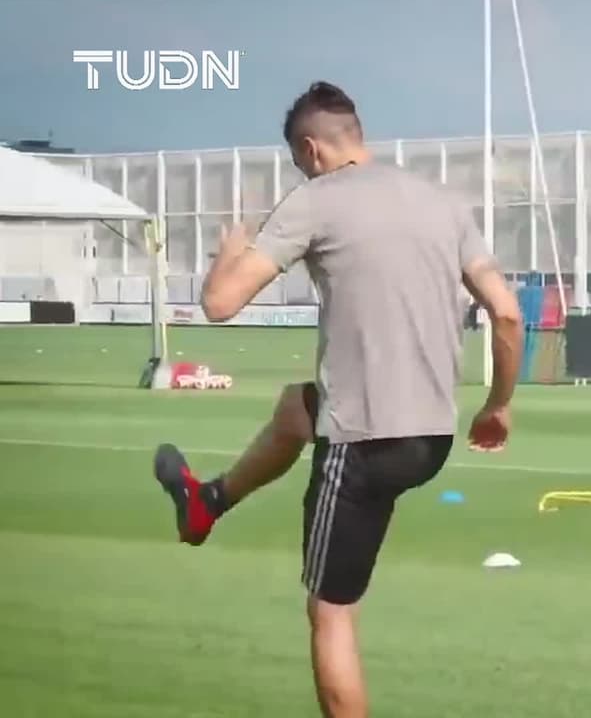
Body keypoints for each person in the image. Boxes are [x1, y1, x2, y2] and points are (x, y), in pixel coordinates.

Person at [150, 81, 524, 718]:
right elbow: (508, 314)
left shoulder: (315, 200)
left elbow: (219, 304)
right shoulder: (442, 203)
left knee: (330, 613)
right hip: (431, 437)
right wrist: (498, 405)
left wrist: (228, 256)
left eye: (299, 162)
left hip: (363, 443)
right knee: (296, 408)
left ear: (311, 148)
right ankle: (208, 502)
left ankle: (208, 507)